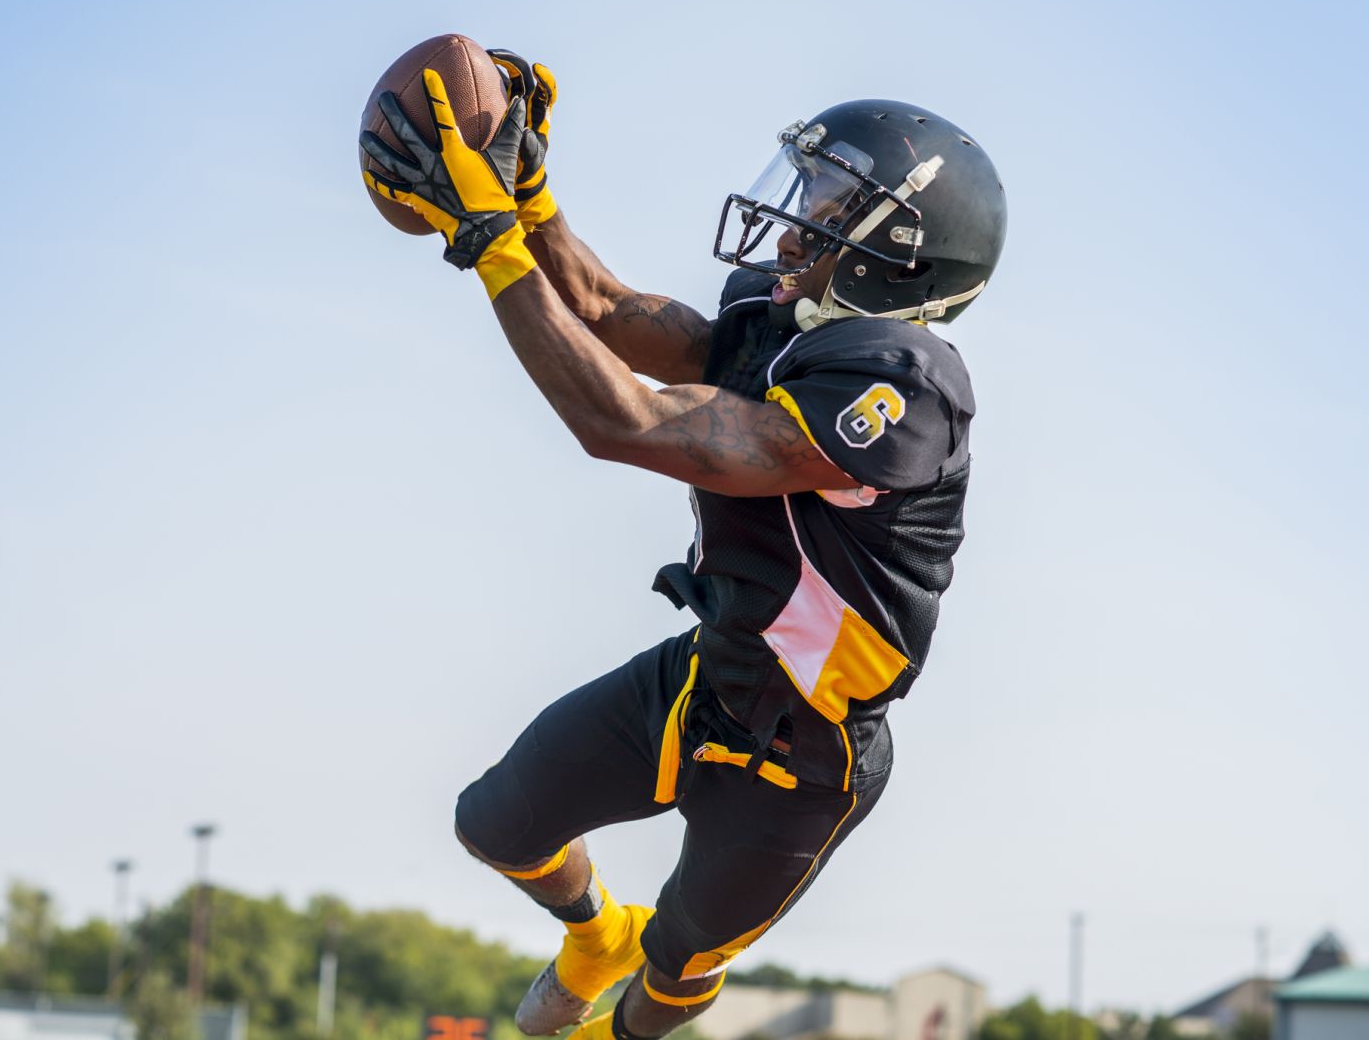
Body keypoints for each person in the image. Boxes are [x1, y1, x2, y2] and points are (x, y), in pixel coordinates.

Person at [360, 51, 1005, 1040]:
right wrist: (529, 199)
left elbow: (632, 424)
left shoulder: (905, 384)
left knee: (666, 984)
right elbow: (611, 315)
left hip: (806, 751)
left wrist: (486, 238)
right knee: (493, 824)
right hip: (707, 673)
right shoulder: (788, 319)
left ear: (899, 252)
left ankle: (636, 986)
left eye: (831, 197)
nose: (799, 210)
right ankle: (593, 935)